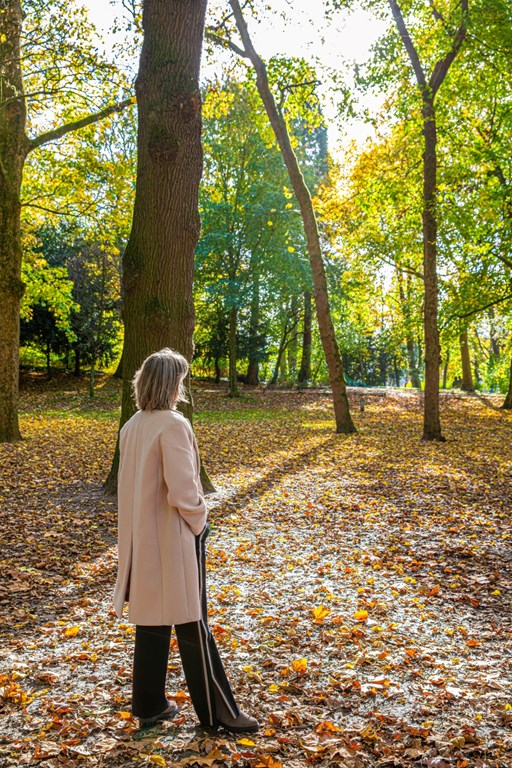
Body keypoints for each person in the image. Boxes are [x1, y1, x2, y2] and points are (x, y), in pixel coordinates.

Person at [113, 348, 258, 732]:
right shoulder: (173, 425)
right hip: (174, 537)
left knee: (152, 622)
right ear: (169, 385)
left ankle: (150, 705)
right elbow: (184, 493)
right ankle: (219, 712)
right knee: (193, 622)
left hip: (142, 539)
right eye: (179, 381)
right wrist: (200, 521)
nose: (182, 388)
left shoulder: (132, 426)